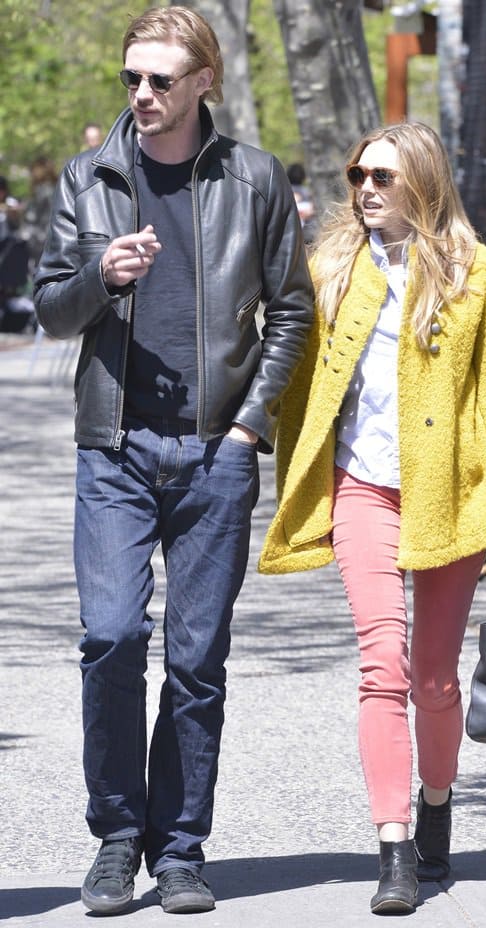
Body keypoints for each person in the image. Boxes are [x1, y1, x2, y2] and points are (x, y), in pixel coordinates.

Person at [34, 6, 312, 917]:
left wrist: (246, 431)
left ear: (204, 81)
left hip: (212, 454)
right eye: (131, 80)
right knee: (111, 640)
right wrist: (99, 278)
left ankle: (181, 850)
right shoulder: (88, 178)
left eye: (160, 79)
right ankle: (118, 838)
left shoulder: (256, 179)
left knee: (198, 660)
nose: (142, 95)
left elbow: (293, 313)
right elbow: (50, 310)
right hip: (113, 448)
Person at [259, 122, 486, 915]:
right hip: (362, 488)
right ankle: (394, 845)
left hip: (452, 493)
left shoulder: (476, 272)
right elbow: (293, 367)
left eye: (382, 174)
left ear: (422, 181)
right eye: (357, 176)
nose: (366, 188)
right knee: (383, 667)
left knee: (434, 679)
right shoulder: (333, 268)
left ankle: (438, 804)